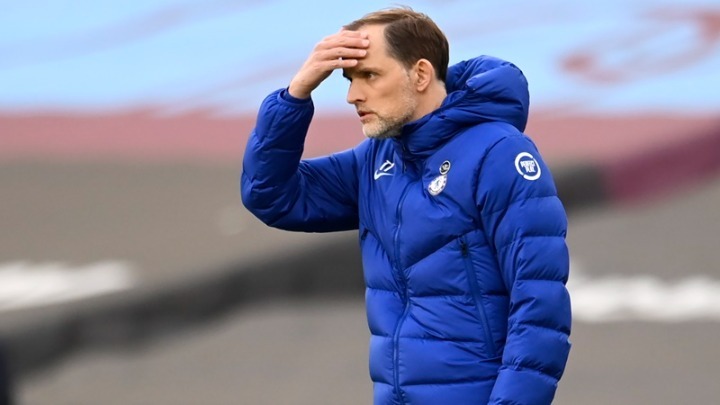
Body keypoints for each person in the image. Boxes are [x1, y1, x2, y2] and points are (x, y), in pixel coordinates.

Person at [241, 6, 571, 405]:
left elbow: (540, 306)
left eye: (369, 75)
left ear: (421, 74)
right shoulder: (375, 160)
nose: (352, 95)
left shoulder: (499, 153)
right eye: (349, 79)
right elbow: (270, 194)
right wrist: (295, 95)